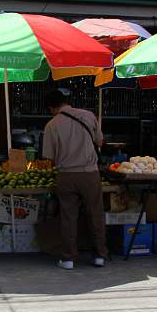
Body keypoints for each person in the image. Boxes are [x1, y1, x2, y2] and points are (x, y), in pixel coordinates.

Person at [42, 89, 108, 270]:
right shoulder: (88, 115)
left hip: (66, 175)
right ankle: (100, 256)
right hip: (90, 174)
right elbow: (100, 142)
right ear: (65, 101)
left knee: (68, 217)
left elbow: (49, 157)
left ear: (51, 108)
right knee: (95, 214)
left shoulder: (51, 125)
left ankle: (68, 258)